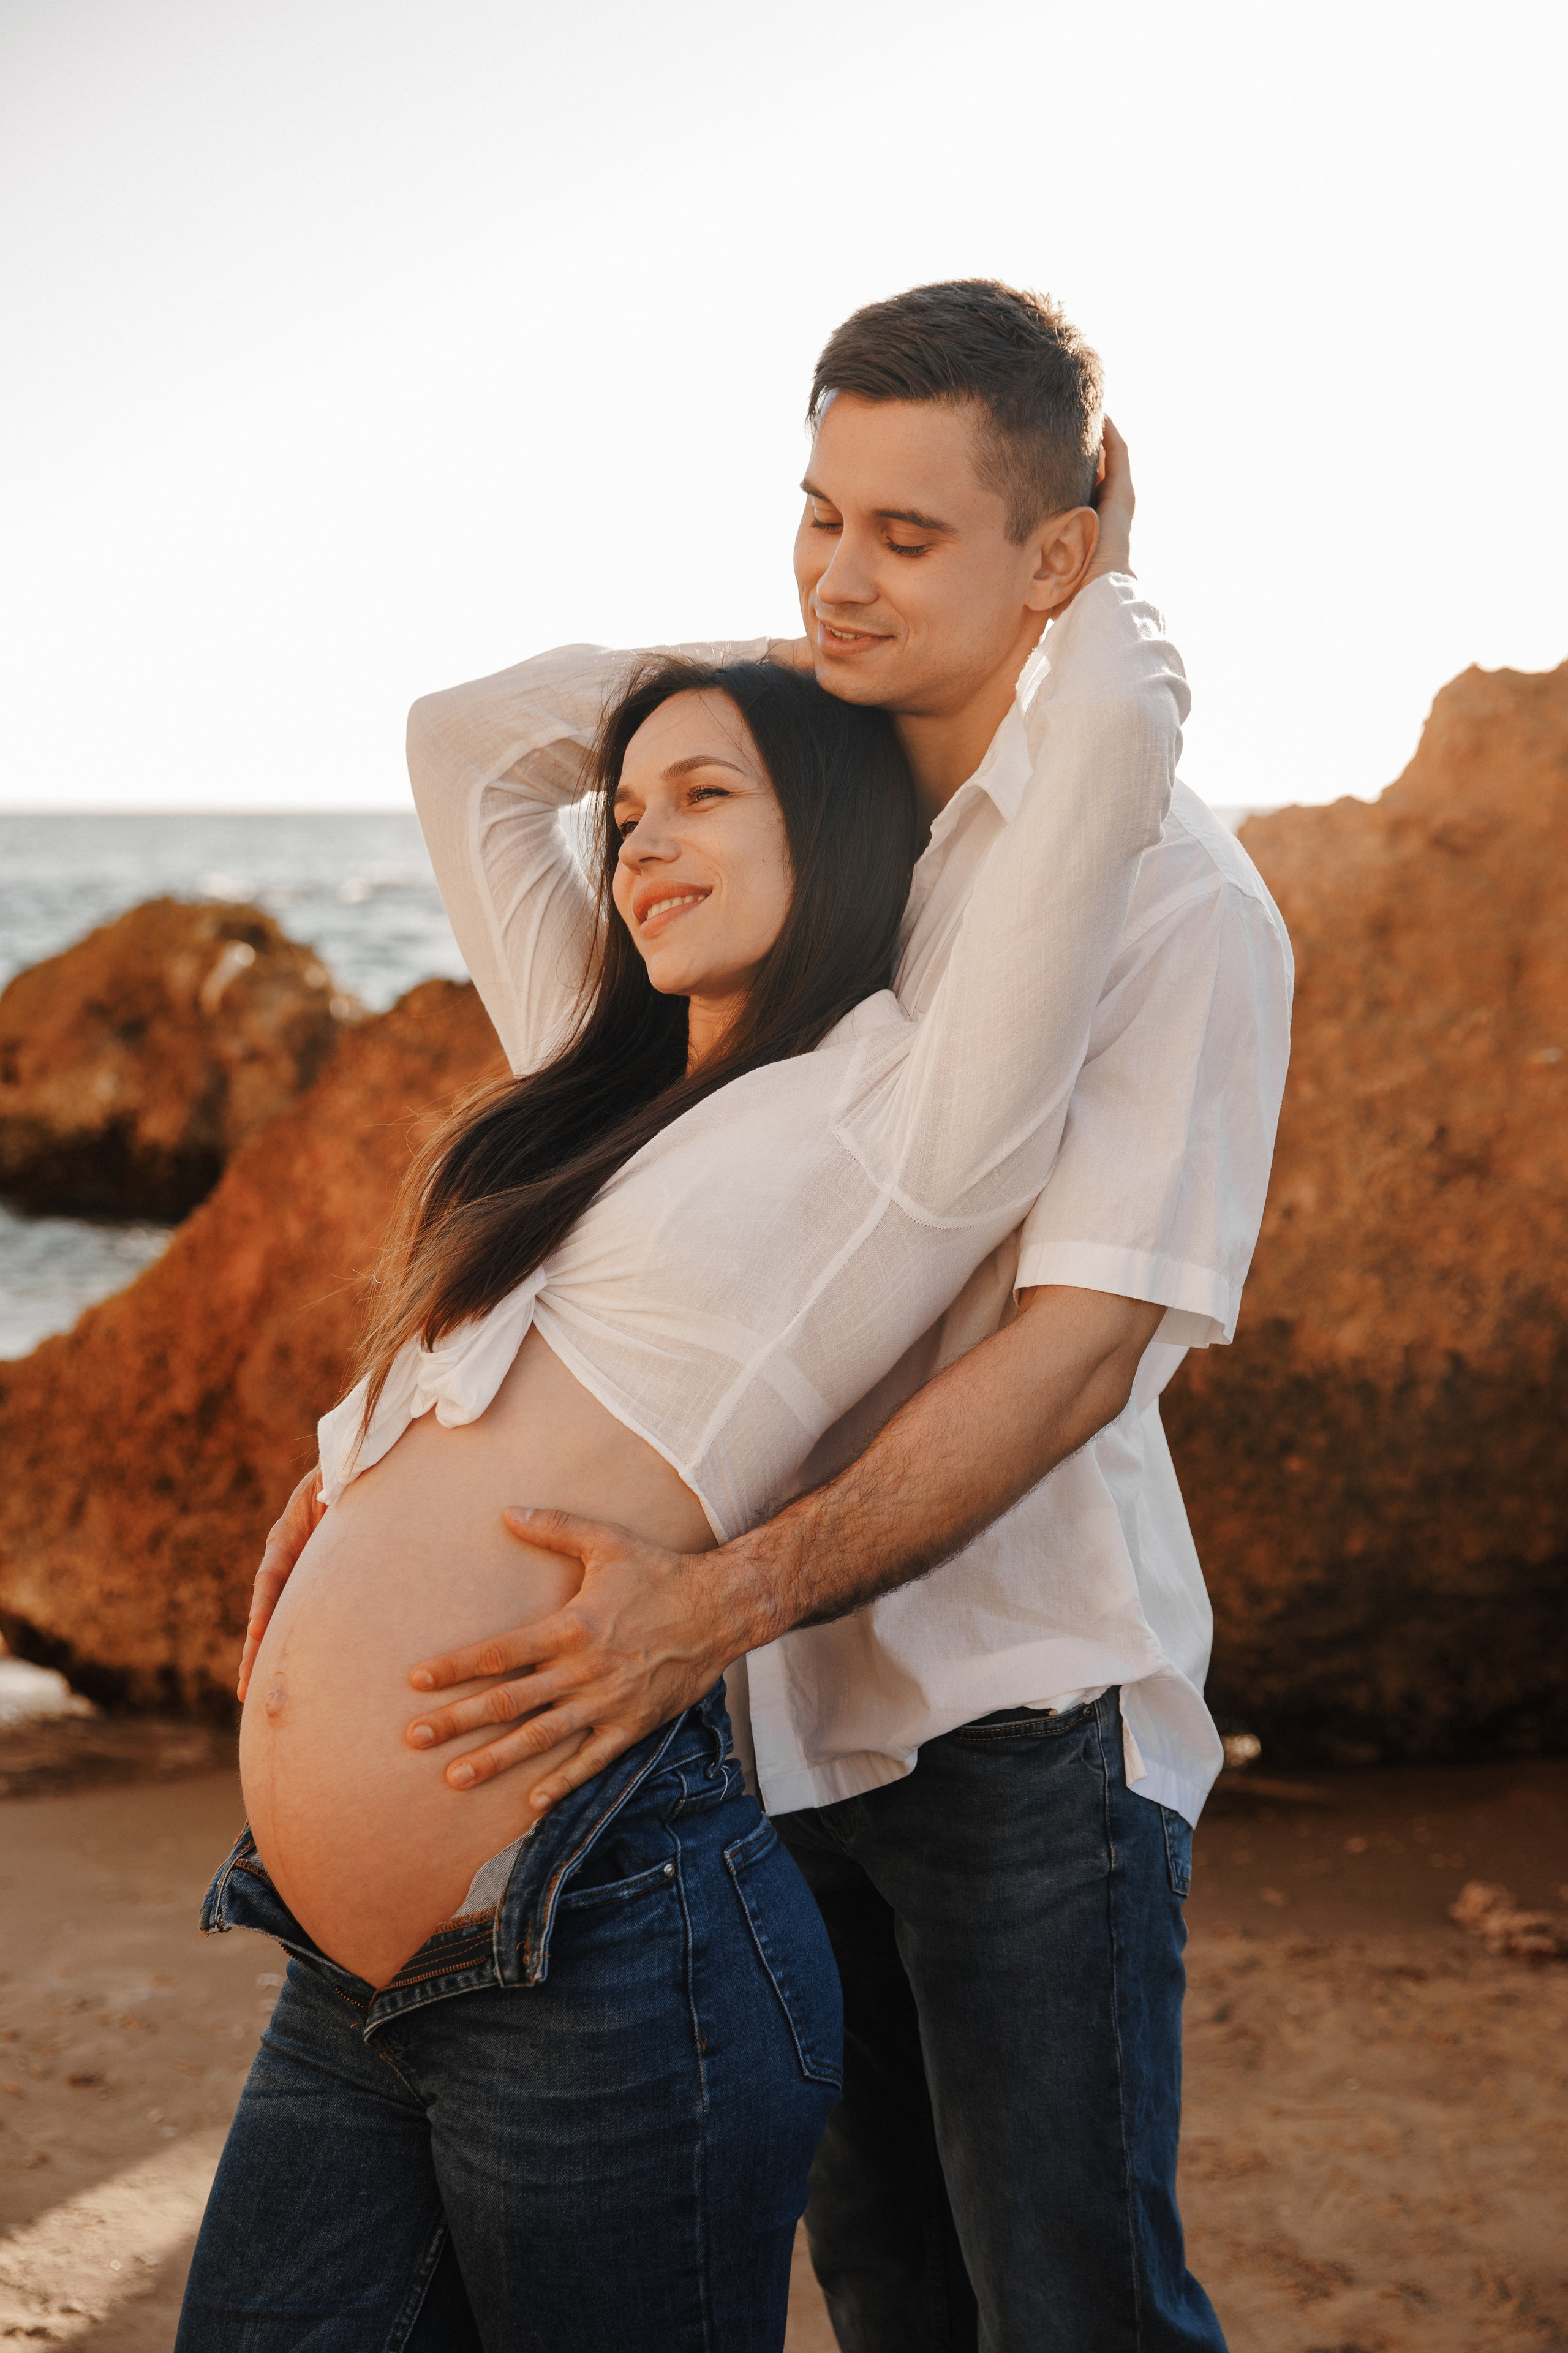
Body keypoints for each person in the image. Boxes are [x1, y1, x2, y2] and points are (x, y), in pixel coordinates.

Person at [244, 281, 1292, 2349]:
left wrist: (720, 1598)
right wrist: (752, 690)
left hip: (1009, 1701)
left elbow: (1077, 1350)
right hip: (739, 1729)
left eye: (908, 537)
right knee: (888, 2285)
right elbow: (482, 761)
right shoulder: (780, 883)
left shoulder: (1159, 904)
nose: (835, 573)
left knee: (1065, 2301)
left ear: (1059, 560)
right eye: (818, 519)